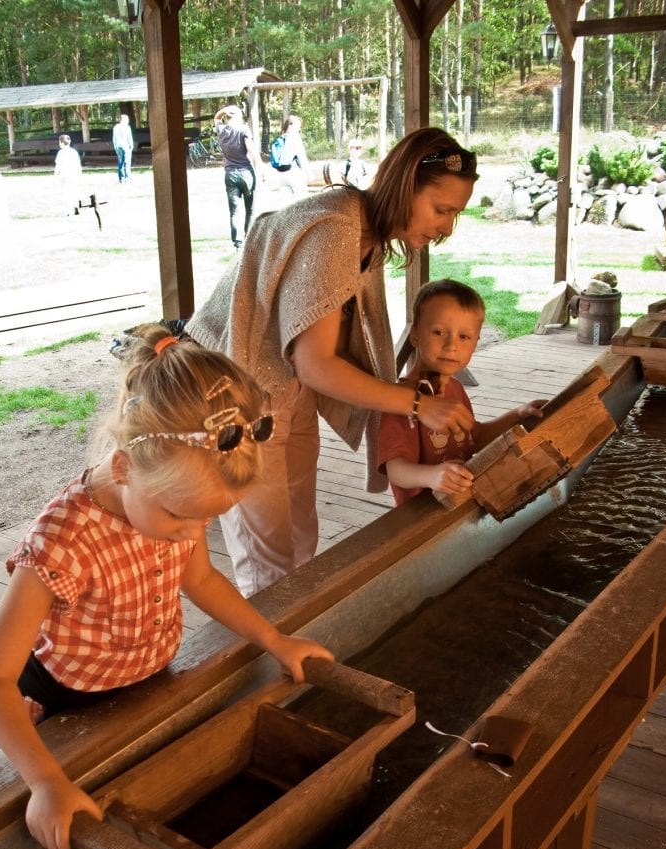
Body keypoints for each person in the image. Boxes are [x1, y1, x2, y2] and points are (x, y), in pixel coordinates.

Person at [0, 324, 333, 849]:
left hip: (143, 685)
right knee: (32, 843)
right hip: (57, 709)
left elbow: (202, 580)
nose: (191, 535)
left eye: (207, 521)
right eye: (180, 518)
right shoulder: (62, 541)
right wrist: (46, 782)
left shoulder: (171, 506)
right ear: (123, 468)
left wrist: (276, 641)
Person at [189, 126, 480, 597]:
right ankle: (272, 656)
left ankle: (293, 641)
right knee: (269, 558)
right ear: (406, 187)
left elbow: (319, 361)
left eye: (455, 215)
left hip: (287, 392)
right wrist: (415, 405)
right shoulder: (335, 228)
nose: (446, 227)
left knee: (300, 538)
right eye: (442, 209)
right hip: (238, 397)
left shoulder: (369, 237)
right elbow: (317, 364)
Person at [378, 278, 546, 506]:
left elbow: (472, 438)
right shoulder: (402, 400)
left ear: (476, 342)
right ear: (415, 334)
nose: (451, 346)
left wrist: (518, 416)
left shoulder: (454, 388)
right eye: (438, 332)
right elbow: (395, 468)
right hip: (422, 514)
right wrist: (433, 476)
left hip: (460, 504)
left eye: (463, 337)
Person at [213, 104, 265, 250]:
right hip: (246, 173)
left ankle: (237, 243)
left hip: (230, 174)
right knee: (250, 209)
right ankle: (248, 237)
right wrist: (261, 168)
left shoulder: (221, 130)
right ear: (235, 116)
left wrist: (224, 110)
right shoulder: (243, 130)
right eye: (240, 114)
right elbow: (252, 150)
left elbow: (216, 117)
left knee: (234, 211)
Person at [272, 113, 311, 199]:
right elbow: (302, 158)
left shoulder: (280, 139)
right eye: (298, 126)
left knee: (287, 205)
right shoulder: (295, 138)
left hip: (281, 175)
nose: (299, 129)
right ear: (290, 126)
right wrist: (309, 175)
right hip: (294, 174)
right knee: (302, 203)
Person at [53, 134, 82, 215]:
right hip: (74, 175)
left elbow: (58, 165)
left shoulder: (60, 153)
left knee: (66, 192)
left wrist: (55, 174)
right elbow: (78, 164)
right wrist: (79, 173)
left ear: (61, 143)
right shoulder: (74, 152)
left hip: (64, 175)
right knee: (74, 190)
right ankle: (75, 205)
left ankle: (68, 210)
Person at [112, 113, 134, 183]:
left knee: (120, 162)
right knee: (127, 162)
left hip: (118, 146)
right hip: (126, 146)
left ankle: (121, 178)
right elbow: (129, 138)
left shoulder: (115, 127)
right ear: (124, 120)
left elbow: (114, 138)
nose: (128, 121)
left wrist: (115, 146)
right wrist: (131, 146)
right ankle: (127, 178)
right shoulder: (127, 127)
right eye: (127, 119)